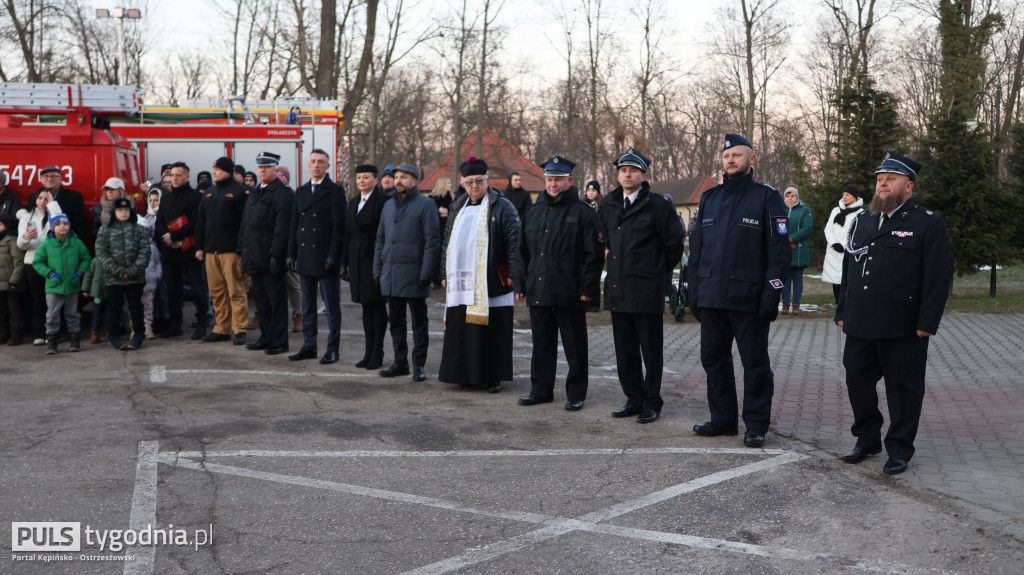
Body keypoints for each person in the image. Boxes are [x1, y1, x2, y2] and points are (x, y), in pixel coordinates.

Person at [835, 152, 951, 475]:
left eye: (891, 178)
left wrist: (927, 323)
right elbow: (850, 269)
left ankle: (899, 448)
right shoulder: (862, 220)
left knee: (903, 389)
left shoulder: (926, 222)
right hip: (860, 322)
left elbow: (938, 278)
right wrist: (842, 310)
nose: (882, 182)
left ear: (908, 186)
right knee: (857, 380)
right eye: (879, 178)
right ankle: (867, 438)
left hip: (904, 326)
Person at [687, 134, 790, 446]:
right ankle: (723, 419)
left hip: (749, 300)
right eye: (727, 155)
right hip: (712, 298)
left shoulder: (767, 198)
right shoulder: (710, 198)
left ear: (752, 159)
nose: (730, 160)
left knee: (755, 364)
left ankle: (756, 424)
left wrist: (772, 294)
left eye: (737, 155)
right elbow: (696, 250)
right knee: (713, 360)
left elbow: (779, 253)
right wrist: (694, 291)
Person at [601, 148, 685, 423]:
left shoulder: (658, 205)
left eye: (633, 171)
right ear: (618, 175)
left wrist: (656, 271)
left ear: (643, 175)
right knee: (625, 350)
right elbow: (603, 240)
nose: (628, 175)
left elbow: (674, 243)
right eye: (623, 170)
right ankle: (633, 398)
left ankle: (652, 401)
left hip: (646, 289)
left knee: (650, 350)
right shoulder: (609, 204)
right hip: (618, 289)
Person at [516, 156, 604, 409]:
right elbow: (521, 252)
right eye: (550, 179)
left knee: (575, 347)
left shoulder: (583, 213)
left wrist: (588, 288)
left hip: (570, 291)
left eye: (558, 180)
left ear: (569, 181)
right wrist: (521, 285)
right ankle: (541, 390)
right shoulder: (532, 213)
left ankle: (576, 394)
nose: (553, 184)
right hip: (539, 288)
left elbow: (593, 255)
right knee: (541, 345)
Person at [438, 156, 521, 393]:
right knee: (463, 329)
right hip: (461, 281)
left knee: (493, 330)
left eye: (479, 181)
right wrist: (443, 272)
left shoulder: (502, 205)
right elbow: (447, 242)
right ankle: (464, 374)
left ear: (487, 181)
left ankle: (492, 376)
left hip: (492, 279)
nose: (474, 186)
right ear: (462, 183)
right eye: (470, 182)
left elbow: (514, 241)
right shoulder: (457, 207)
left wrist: (513, 273)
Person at [373, 163, 440, 381]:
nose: (398, 180)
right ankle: (400, 362)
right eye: (397, 176)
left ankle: (418, 365)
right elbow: (381, 239)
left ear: (414, 181)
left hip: (414, 273)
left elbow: (432, 241)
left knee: (419, 323)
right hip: (391, 272)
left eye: (404, 177)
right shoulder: (388, 206)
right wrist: (378, 268)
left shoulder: (426, 204)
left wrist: (426, 272)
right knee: (396, 321)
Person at [287, 149, 346, 364]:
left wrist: (334, 256)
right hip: (305, 256)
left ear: (328, 166)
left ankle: (332, 349)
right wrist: (291, 253)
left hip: (325, 257)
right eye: (313, 161)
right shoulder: (301, 191)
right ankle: (309, 345)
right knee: (307, 306)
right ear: (308, 164)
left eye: (321, 162)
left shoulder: (335, 191)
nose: (316, 165)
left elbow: (339, 228)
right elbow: (295, 225)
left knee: (331, 307)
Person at [238, 152, 294, 355]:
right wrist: (241, 249)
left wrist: (276, 256)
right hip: (254, 255)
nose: (263, 170)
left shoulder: (282, 193)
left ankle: (280, 341)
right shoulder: (255, 192)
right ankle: (267, 336)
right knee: (261, 302)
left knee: (276, 301)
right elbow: (246, 224)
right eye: (260, 167)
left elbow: (282, 229)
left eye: (267, 167)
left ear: (276, 169)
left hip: (270, 257)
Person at [195, 157, 250, 345]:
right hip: (211, 251)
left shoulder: (241, 192)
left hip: (231, 252)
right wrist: (199, 247)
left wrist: (242, 249)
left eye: (217, 169)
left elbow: (246, 224)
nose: (214, 171)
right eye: (213, 168)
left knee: (236, 290)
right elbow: (200, 222)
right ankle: (222, 328)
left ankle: (240, 328)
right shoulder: (208, 193)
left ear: (228, 171)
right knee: (217, 292)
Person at [152, 162, 208, 340]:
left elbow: (196, 223)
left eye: (178, 175)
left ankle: (202, 325)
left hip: (190, 250)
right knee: (173, 290)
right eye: (172, 175)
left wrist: (174, 236)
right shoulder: (166, 197)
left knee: (198, 289)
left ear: (187, 177)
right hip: (170, 251)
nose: (174, 178)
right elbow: (159, 222)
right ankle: (175, 325)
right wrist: (167, 238)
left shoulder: (195, 197)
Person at [342, 164, 389, 369]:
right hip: (356, 258)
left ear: (376, 180)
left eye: (366, 177)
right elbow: (347, 234)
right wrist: (344, 263)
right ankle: (368, 351)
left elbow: (385, 232)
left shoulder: (383, 201)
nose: (361, 180)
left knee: (376, 305)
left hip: (374, 257)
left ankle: (377, 352)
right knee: (365, 306)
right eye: (359, 177)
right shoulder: (353, 202)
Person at [95, 197, 150, 350]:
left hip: (135, 278)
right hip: (114, 279)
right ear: (114, 212)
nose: (124, 213)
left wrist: (132, 271)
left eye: (126, 210)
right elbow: (101, 253)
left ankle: (139, 333)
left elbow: (145, 252)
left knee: (136, 306)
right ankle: (114, 335)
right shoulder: (105, 230)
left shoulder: (138, 229)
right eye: (120, 210)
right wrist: (119, 272)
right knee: (114, 307)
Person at [32, 213, 90, 354]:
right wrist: (50, 274)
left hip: (72, 285)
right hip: (53, 286)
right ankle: (52, 342)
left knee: (72, 314)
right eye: (58, 224)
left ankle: (74, 341)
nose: (62, 227)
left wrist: (79, 273)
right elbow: (37, 262)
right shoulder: (47, 244)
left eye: (65, 224)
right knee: (52, 314)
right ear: (52, 228)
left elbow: (86, 258)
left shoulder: (76, 242)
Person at [16, 190, 62, 345]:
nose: (43, 201)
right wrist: (26, 238)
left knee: (54, 299)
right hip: (32, 262)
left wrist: (52, 204)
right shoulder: (27, 217)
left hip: (52, 263)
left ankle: (54, 332)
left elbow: (60, 224)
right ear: (34, 200)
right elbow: (21, 244)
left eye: (46, 198)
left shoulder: (53, 215)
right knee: (37, 300)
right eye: (40, 198)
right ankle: (39, 333)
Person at [822, 184, 864, 302]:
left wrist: (845, 245)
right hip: (834, 252)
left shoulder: (860, 213)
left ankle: (845, 311)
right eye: (843, 194)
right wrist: (834, 243)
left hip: (848, 252)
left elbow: (858, 233)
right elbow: (828, 229)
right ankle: (839, 309)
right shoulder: (836, 210)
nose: (844, 197)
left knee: (846, 281)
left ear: (855, 197)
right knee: (836, 283)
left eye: (848, 195)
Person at [32, 166, 88, 246]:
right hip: (41, 245)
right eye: (46, 176)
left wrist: (79, 246)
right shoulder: (33, 197)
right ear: (41, 179)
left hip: (67, 243)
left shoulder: (74, 197)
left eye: (53, 176)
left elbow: (80, 226)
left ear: (61, 179)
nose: (50, 179)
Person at [781, 186, 812, 315]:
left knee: (798, 278)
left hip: (799, 250)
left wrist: (792, 239)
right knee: (785, 279)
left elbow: (807, 228)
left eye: (792, 195)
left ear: (797, 197)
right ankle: (785, 304)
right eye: (788, 195)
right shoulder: (780, 209)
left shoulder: (805, 210)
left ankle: (796, 305)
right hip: (783, 249)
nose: (790, 198)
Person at [0, 212, 26, 345]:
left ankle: (16, 335)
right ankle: (2, 334)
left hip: (11, 283)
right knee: (1, 310)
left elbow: (19, 262)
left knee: (14, 309)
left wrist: (14, 281)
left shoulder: (11, 240)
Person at [429, 177, 455, 287]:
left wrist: (448, 211)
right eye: (448, 183)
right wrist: (437, 211)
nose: (451, 185)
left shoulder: (453, 198)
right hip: (436, 229)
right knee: (436, 254)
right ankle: (435, 279)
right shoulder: (432, 199)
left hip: (448, 229)